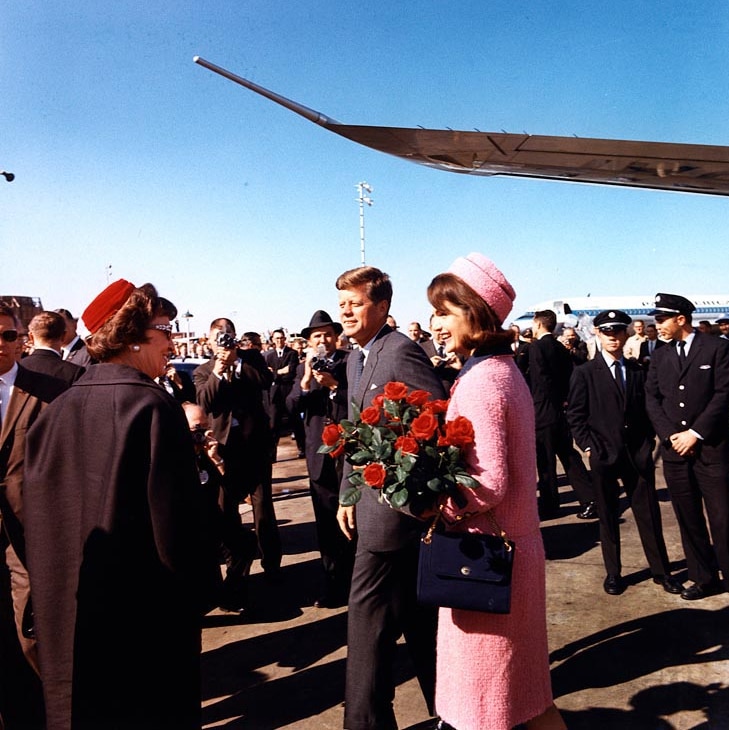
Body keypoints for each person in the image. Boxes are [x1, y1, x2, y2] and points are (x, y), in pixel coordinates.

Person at [23, 279, 221, 730]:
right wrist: (201, 590)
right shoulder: (150, 407)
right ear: (132, 335)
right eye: (164, 329)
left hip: (68, 610)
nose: (173, 342)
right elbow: (176, 529)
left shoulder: (57, 410)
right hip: (143, 617)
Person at [427, 252, 566, 730]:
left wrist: (434, 504)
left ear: (477, 313)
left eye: (446, 311)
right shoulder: (501, 371)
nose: (436, 324)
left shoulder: (483, 381)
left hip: (486, 560)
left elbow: (488, 481)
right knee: (527, 698)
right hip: (511, 552)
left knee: (483, 706)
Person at [335, 265, 447, 730]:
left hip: (394, 520)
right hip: (370, 510)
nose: (345, 312)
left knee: (365, 627)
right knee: (418, 625)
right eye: (341, 304)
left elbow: (437, 423)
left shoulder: (401, 352)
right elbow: (352, 433)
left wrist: (413, 499)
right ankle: (457, 711)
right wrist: (347, 493)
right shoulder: (355, 358)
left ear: (381, 307)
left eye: (354, 303)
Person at [566, 310, 683, 597]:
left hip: (636, 456)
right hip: (604, 457)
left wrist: (647, 445)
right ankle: (614, 573)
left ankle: (661, 572)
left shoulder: (636, 371)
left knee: (649, 516)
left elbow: (647, 411)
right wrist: (590, 446)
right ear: (597, 334)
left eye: (618, 331)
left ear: (625, 334)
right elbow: (576, 416)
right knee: (607, 516)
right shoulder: (584, 373)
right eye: (607, 332)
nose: (612, 337)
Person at [0, 307, 75, 730]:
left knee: (33, 638)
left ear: (22, 339)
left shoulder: (48, 389)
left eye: (8, 336)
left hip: (29, 535)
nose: (1, 345)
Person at [645, 293, 729, 600]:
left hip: (711, 449)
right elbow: (652, 399)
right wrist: (671, 436)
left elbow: (723, 394)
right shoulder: (660, 355)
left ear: (681, 319)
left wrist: (695, 433)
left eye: (661, 319)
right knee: (688, 516)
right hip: (675, 452)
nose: (658, 325)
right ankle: (704, 578)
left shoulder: (717, 348)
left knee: (722, 517)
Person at [194, 318, 282, 580]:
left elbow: (265, 381)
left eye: (228, 336)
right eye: (218, 338)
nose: (224, 341)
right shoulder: (203, 370)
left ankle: (272, 565)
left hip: (253, 444)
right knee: (227, 510)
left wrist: (237, 361)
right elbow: (205, 401)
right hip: (223, 450)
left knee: (263, 507)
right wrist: (220, 369)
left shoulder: (251, 358)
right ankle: (237, 568)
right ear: (209, 341)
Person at [287, 310, 354, 608]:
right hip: (319, 456)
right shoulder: (305, 367)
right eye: (317, 336)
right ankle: (334, 585)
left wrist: (333, 386)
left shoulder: (350, 361)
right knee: (326, 525)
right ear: (309, 342)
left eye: (328, 334)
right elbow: (289, 407)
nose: (323, 340)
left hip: (347, 453)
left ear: (336, 337)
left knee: (352, 520)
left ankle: (358, 583)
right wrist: (304, 382)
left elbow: (356, 403)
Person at [182, 401, 258, 613]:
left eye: (206, 427)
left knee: (244, 543)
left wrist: (217, 462)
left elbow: (239, 493)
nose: (203, 433)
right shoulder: (174, 457)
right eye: (197, 429)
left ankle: (231, 595)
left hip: (213, 522)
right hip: (188, 528)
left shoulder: (213, 453)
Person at [523, 309, 595, 520]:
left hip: (543, 411)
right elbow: (568, 377)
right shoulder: (561, 347)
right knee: (569, 456)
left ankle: (550, 505)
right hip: (561, 411)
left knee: (545, 461)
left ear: (538, 325)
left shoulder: (536, 347)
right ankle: (589, 498)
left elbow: (540, 379)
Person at [264, 328, 305, 459]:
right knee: (274, 424)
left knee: (295, 421)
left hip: (289, 390)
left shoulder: (292, 353)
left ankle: (302, 449)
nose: (279, 341)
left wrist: (275, 373)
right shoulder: (269, 356)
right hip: (275, 393)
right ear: (273, 340)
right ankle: (272, 453)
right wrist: (280, 372)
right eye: (276, 338)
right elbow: (267, 375)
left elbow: (292, 371)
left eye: (281, 338)